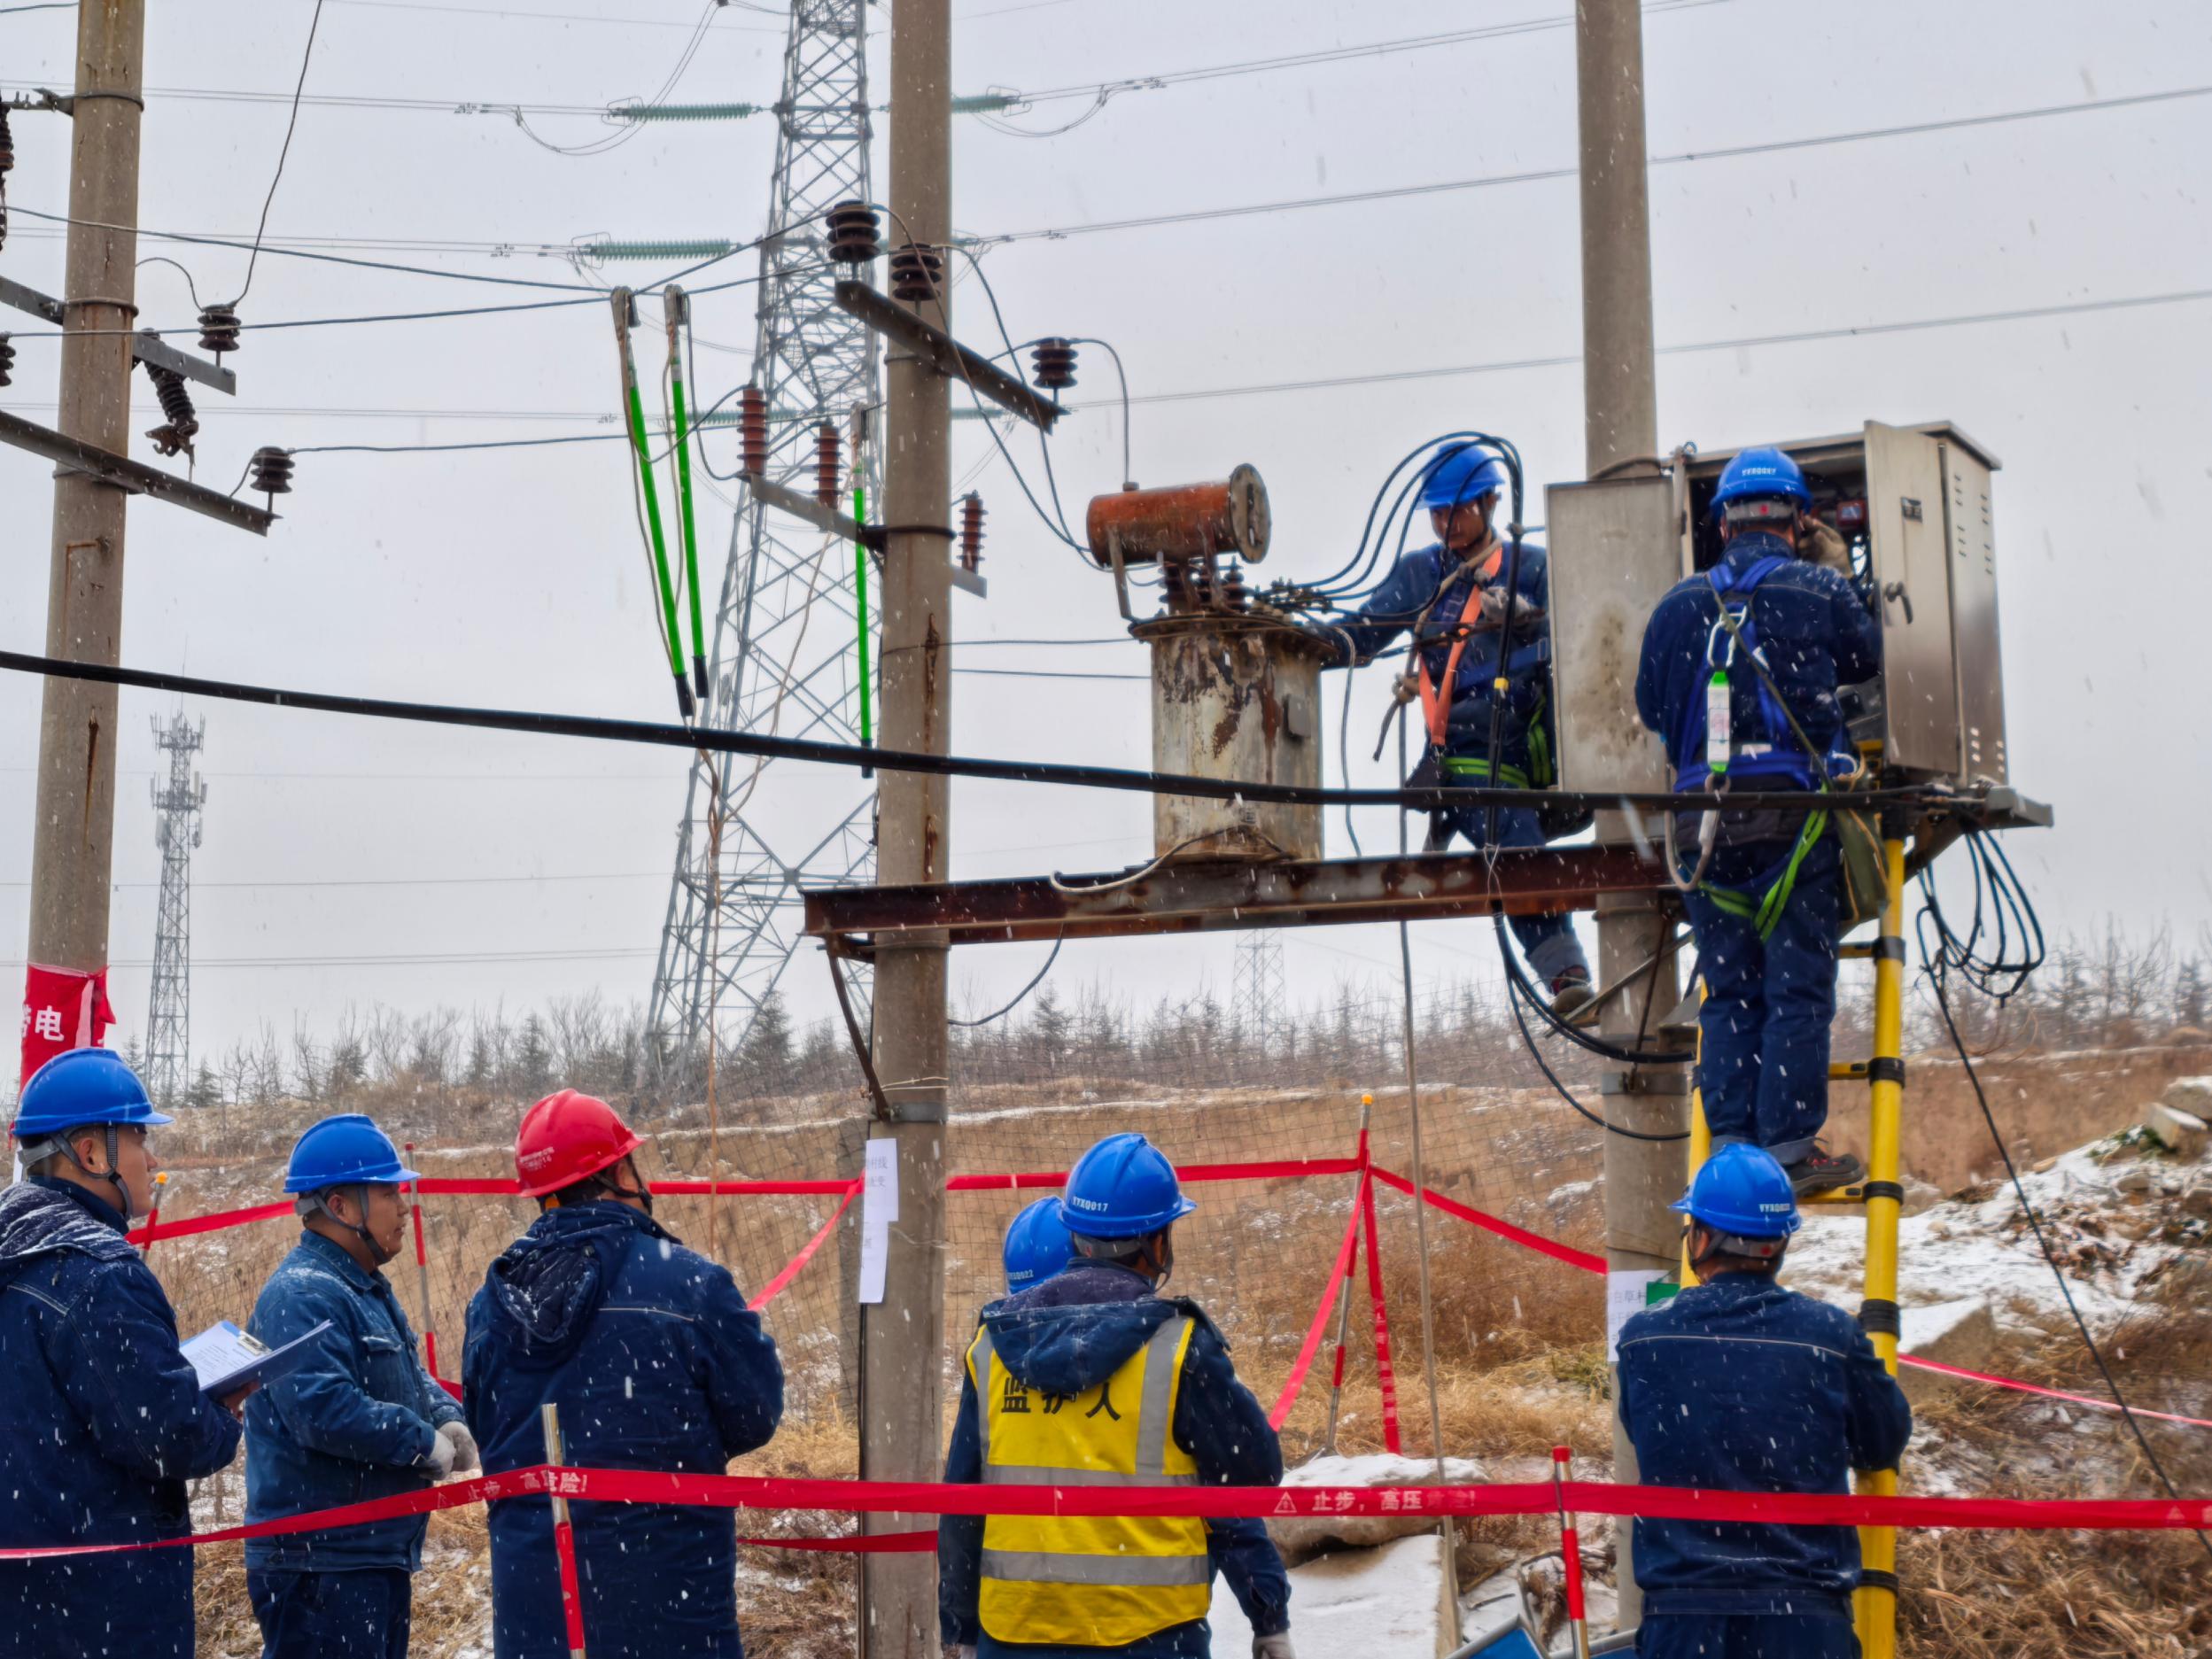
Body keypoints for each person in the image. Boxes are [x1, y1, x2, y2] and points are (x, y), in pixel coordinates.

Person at [1635, 446, 1882, 1194]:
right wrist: (1838, 574)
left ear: (1718, 527)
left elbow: (1652, 706)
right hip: (1792, 821)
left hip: (1700, 834)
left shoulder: (1675, 606)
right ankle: (1788, 1146)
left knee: (1730, 991)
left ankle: (1733, 1155)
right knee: (1796, 988)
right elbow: (1868, 658)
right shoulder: (1815, 587)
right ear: (1799, 519)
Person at [940, 1133, 1287, 1659]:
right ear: (1158, 1242)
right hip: (1149, 1636)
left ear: (1074, 1235)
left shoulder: (992, 1345)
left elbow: (962, 1504)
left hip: (1015, 1634)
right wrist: (1268, 1613)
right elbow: (1252, 1478)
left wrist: (962, 1629)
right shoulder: (1178, 1346)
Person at [463, 1089, 784, 1659]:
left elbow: (491, 1434)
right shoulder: (691, 1284)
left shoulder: (490, 1304)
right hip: (672, 1605)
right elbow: (755, 1415)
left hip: (537, 1612)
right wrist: (676, 1449)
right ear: (617, 1174)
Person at [1617, 1145, 1911, 1659]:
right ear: (1780, 1244)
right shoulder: (1830, 1335)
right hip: (1805, 1622)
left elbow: (1645, 1434)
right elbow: (1882, 1442)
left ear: (1701, 1238)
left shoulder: (1645, 1339)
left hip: (1685, 1623)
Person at [1328, 441, 1592, 1012]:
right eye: (1438, 512)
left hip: (1539, 749)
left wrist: (1528, 619)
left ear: (1491, 501)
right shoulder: (1421, 575)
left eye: (1459, 510)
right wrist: (1302, 643)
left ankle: (1566, 955)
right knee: (1515, 843)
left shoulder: (1537, 569)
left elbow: (1590, 637)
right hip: (1467, 750)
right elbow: (1362, 633)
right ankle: (1564, 971)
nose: (1447, 523)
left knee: (1536, 850)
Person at [0, 1048, 246, 1658]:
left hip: (23, 1599)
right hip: (104, 1607)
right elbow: (168, 1436)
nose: (153, 1158)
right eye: (139, 1137)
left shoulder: (14, 1251)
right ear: (92, 1152)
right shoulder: (99, 1275)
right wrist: (224, 1412)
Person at [244, 1113, 475, 1658]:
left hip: (367, 1555)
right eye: (388, 1192)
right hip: (320, 1566)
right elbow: (321, 1409)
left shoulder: (362, 1286)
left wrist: (444, 1415)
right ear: (340, 1207)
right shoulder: (301, 1296)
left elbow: (407, 1374)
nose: (403, 1206)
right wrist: (420, 1442)